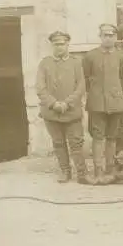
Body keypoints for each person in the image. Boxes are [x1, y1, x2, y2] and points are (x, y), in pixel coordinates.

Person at [36, 31, 94, 184]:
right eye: (56, 44)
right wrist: (53, 103)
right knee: (58, 143)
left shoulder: (76, 63)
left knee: (76, 143)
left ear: (68, 44)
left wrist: (67, 103)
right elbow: (40, 88)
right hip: (51, 112)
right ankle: (65, 171)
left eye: (62, 44)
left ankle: (82, 174)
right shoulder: (44, 63)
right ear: (52, 45)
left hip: (71, 111)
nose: (59, 47)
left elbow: (81, 86)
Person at [83, 24, 123, 185]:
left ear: (115, 37)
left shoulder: (121, 56)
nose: (108, 38)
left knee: (112, 137)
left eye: (111, 35)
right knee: (98, 137)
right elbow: (86, 79)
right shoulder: (90, 56)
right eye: (105, 35)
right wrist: (95, 94)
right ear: (100, 37)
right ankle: (98, 170)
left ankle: (110, 170)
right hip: (97, 103)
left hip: (116, 102)